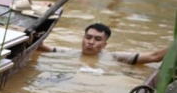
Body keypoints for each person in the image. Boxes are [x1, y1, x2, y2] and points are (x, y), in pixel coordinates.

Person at [38, 23, 169, 65]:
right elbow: (39, 46)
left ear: (105, 44)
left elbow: (154, 56)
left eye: (97, 39)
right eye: (88, 37)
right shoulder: (69, 53)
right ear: (82, 38)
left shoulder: (115, 57)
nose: (91, 42)